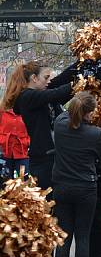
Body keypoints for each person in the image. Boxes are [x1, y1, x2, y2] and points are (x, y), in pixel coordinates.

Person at [52, 92, 101, 257]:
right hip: (85, 188)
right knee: (82, 236)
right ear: (88, 113)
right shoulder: (95, 133)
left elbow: (63, 114)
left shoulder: (59, 125)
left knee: (63, 236)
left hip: (61, 186)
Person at [2, 59, 75, 190]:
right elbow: (57, 92)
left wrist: (84, 64)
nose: (49, 81)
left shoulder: (43, 93)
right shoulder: (27, 97)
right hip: (43, 161)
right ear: (34, 78)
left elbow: (61, 79)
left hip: (56, 158)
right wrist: (81, 82)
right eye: (46, 78)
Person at [0, 108, 30, 178]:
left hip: (22, 152)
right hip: (4, 152)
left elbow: (33, 129)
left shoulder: (26, 110)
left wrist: (27, 142)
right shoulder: (2, 111)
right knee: (5, 180)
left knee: (24, 179)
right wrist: (2, 141)